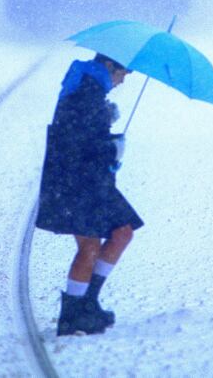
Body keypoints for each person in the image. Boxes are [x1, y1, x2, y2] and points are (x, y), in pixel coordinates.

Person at [36, 52, 144, 336]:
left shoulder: (91, 88)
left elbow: (83, 133)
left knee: (122, 232)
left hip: (89, 180)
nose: (122, 81)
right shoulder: (87, 90)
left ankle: (87, 303)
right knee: (90, 246)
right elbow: (76, 142)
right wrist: (112, 147)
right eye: (122, 74)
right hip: (75, 182)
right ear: (109, 65)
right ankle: (72, 315)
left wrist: (105, 120)